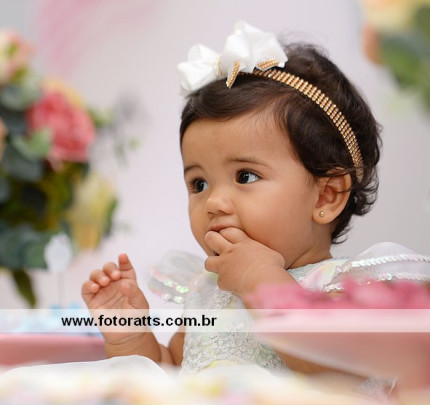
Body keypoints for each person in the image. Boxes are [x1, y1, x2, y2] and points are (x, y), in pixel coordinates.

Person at [81, 21, 426, 392]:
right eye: (199, 184)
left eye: (245, 176)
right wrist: (130, 335)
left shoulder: (348, 287)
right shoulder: (207, 294)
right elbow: (171, 380)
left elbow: (337, 363)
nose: (213, 202)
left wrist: (260, 281)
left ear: (326, 196)